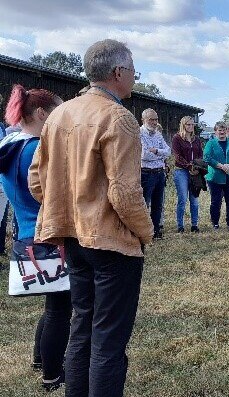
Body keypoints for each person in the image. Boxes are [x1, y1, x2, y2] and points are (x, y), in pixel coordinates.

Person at [29, 39, 154, 397]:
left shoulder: (59, 114)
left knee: (82, 326)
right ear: (118, 73)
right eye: (133, 72)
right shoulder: (119, 118)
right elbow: (125, 194)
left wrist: (66, 207)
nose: (133, 78)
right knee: (108, 340)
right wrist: (145, 232)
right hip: (111, 243)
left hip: (73, 239)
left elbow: (36, 179)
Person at [0, 85, 70, 392]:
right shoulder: (37, 148)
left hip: (26, 234)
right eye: (57, 111)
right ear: (41, 114)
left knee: (53, 306)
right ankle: (52, 375)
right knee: (60, 310)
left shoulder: (11, 144)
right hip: (49, 236)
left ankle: (41, 359)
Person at [203, 121, 229, 230]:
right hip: (215, 177)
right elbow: (207, 158)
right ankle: (215, 222)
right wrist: (221, 166)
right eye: (219, 130)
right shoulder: (210, 143)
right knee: (216, 201)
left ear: (226, 131)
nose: (222, 132)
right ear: (215, 132)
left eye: (224, 130)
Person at [139, 108, 170, 239]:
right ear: (143, 120)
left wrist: (156, 151)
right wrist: (160, 154)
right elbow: (144, 155)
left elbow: (168, 151)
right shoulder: (138, 133)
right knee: (145, 204)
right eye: (151, 119)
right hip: (146, 173)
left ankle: (156, 231)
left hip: (159, 173)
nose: (154, 122)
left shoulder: (158, 134)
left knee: (158, 205)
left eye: (156, 119)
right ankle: (144, 233)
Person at [172, 116, 203, 233]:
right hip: (181, 171)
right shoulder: (177, 138)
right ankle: (180, 225)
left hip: (195, 171)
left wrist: (197, 167)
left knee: (194, 199)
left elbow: (200, 155)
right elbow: (177, 156)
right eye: (188, 124)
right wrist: (189, 166)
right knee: (183, 199)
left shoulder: (197, 140)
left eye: (192, 124)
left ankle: (194, 225)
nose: (191, 126)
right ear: (183, 125)